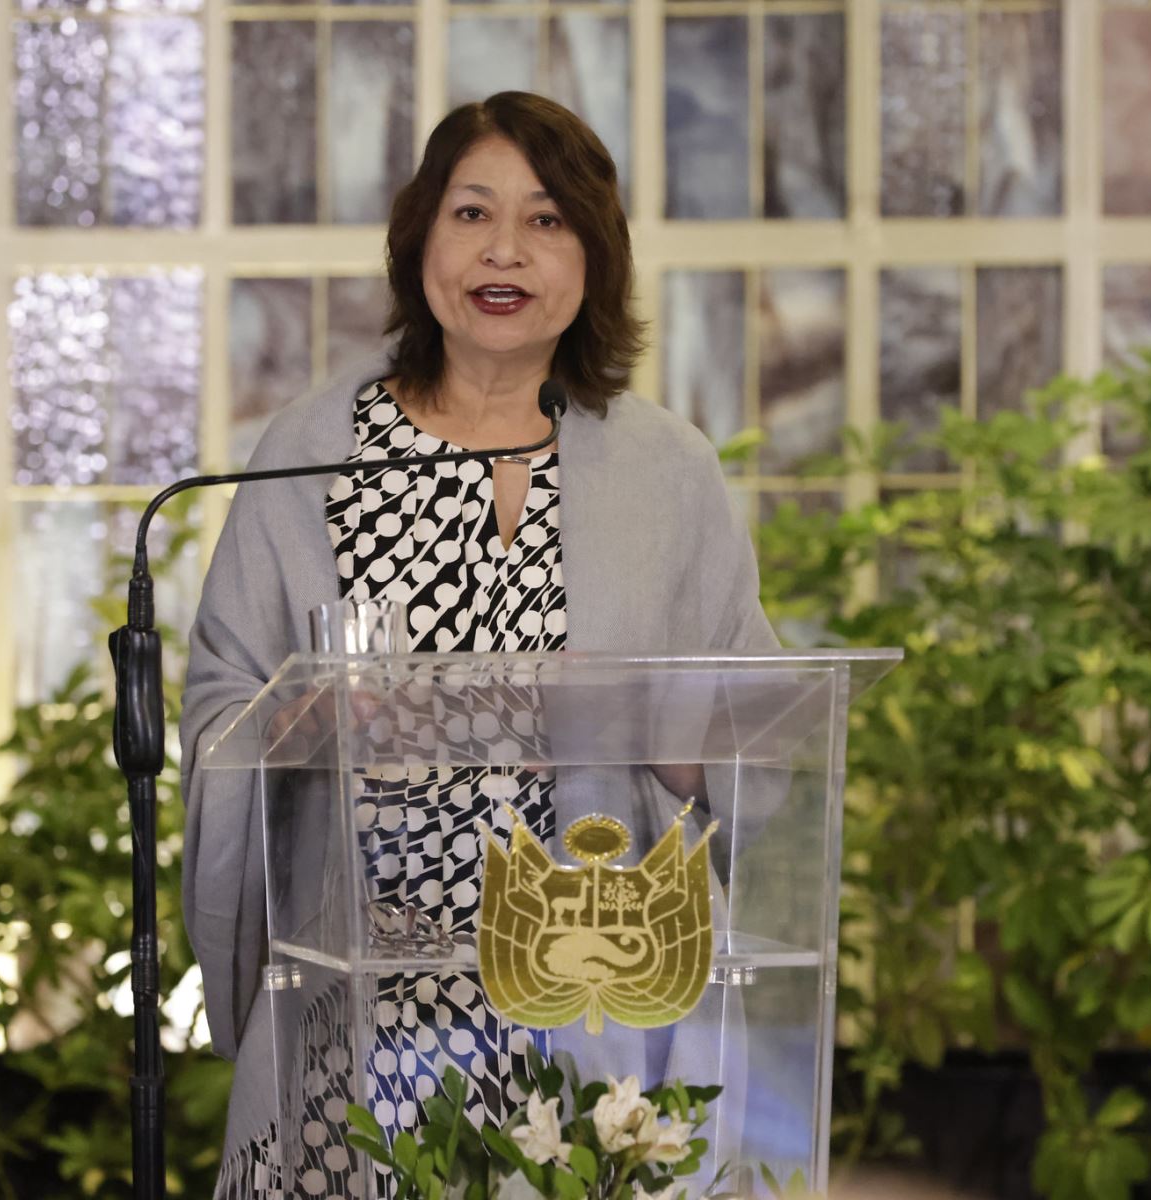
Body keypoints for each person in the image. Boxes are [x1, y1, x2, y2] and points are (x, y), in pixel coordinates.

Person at [181, 92, 777, 1199]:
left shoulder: (667, 473)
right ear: (420, 244)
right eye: (473, 213)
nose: (507, 250)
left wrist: (688, 748)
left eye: (549, 221)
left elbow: (762, 730)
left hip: (589, 1005)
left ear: (595, 259)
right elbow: (220, 701)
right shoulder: (309, 455)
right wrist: (296, 724)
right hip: (358, 1012)